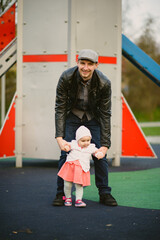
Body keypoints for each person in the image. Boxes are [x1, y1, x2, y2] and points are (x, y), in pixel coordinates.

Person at [53, 49, 118, 207]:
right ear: (77, 62)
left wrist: (105, 145)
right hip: (72, 115)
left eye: (90, 64)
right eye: (82, 63)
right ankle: (61, 193)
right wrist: (59, 138)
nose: (85, 68)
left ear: (96, 65)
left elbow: (105, 114)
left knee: (100, 156)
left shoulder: (104, 83)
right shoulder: (66, 77)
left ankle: (104, 193)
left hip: (93, 117)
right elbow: (60, 108)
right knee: (66, 153)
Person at [57, 125, 104, 208]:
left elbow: (96, 151)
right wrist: (66, 147)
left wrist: (99, 154)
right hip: (70, 167)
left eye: (88, 140)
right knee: (67, 184)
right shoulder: (73, 144)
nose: (86, 143)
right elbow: (67, 145)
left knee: (79, 185)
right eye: (83, 141)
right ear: (78, 140)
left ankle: (79, 200)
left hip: (81, 169)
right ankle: (68, 198)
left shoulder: (91, 147)